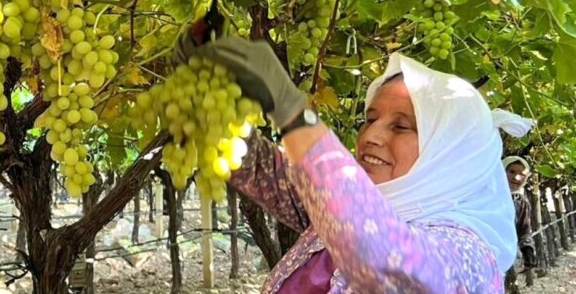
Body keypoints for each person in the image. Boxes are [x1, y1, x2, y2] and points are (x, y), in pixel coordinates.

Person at [174, 35, 535, 293]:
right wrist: (205, 107)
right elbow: (261, 170)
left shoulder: (468, 256)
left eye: (402, 126)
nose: (370, 136)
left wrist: (290, 107)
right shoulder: (343, 209)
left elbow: (386, 262)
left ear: (451, 153)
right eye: (370, 118)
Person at [502, 156, 536, 292]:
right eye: (511, 171)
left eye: (522, 174)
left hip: (507, 255)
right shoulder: (487, 194)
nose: (516, 178)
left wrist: (528, 250)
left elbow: (524, 228)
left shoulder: (521, 201)